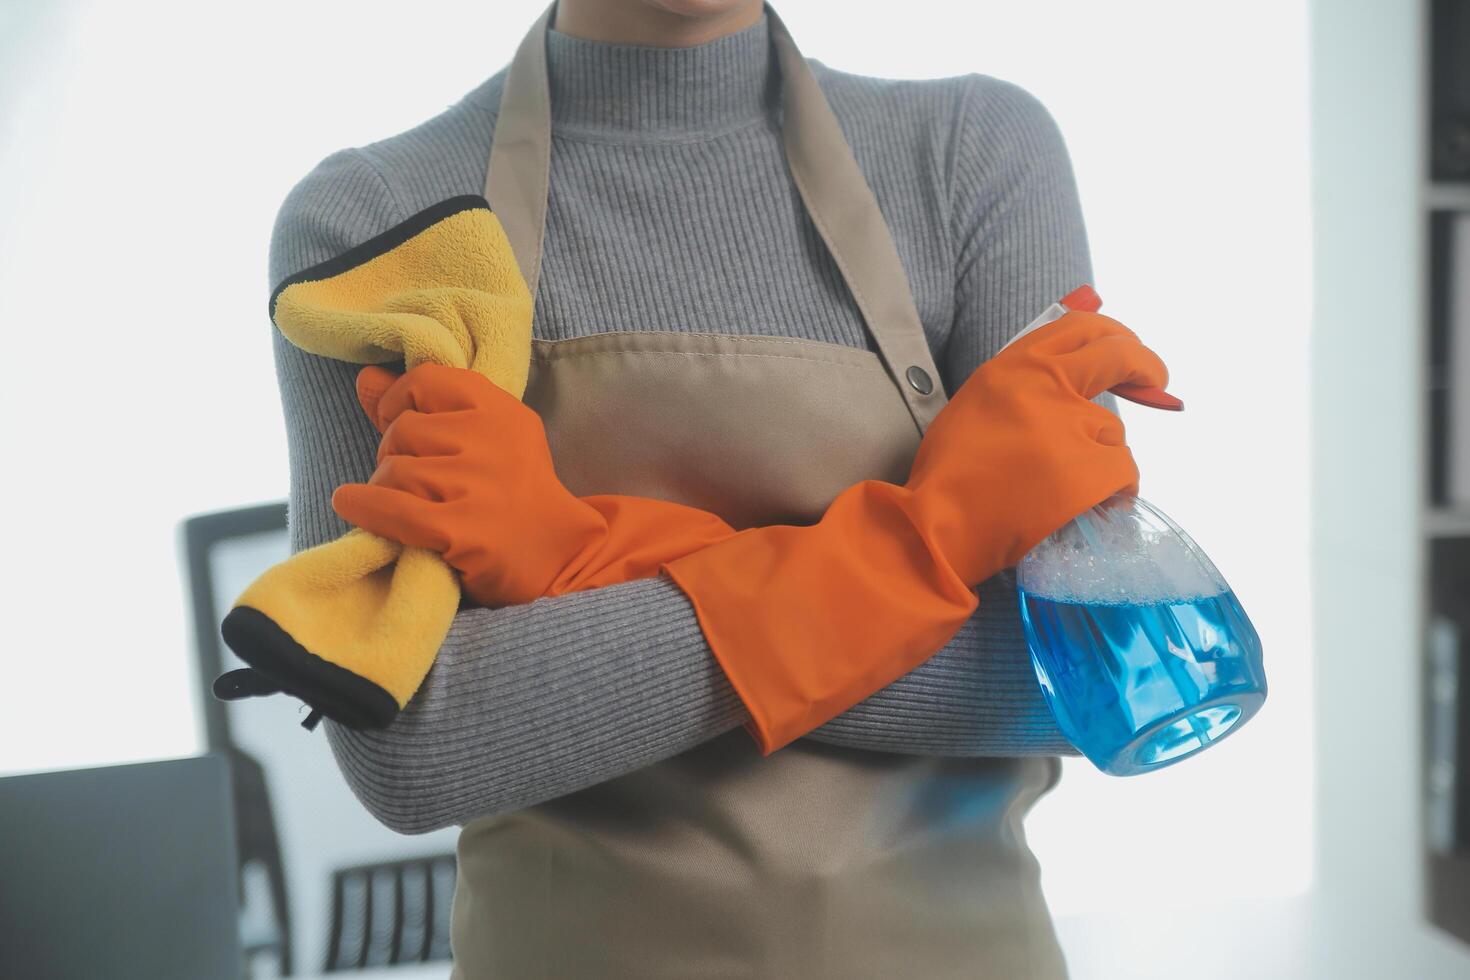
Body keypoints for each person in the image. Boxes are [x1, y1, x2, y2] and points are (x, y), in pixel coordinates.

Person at [270, 1, 1162, 975]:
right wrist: (933, 544)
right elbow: (417, 746)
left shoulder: (968, 154)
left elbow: (1091, 674)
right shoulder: (382, 218)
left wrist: (577, 557)